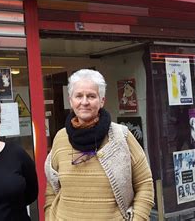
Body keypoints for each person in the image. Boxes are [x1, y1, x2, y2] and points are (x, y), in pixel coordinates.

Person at [44, 69, 154, 220]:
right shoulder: (61, 138)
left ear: (102, 100)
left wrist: (138, 218)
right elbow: (51, 185)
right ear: (71, 100)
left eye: (91, 96)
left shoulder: (121, 136)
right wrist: (50, 216)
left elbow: (145, 184)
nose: (84, 102)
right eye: (78, 96)